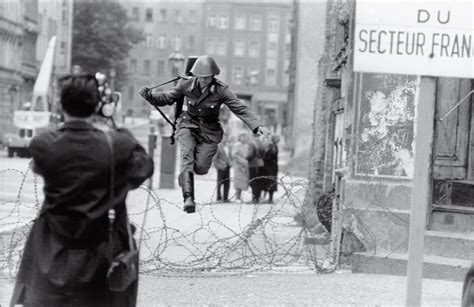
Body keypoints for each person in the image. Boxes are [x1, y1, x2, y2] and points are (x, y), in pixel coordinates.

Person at [11, 73, 154, 307]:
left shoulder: (44, 144)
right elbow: (143, 168)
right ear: (98, 106)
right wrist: (117, 124)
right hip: (103, 252)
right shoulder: (117, 145)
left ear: (60, 104)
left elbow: (39, 166)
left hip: (52, 251)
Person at [139, 55, 268, 213]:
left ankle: (184, 176)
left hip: (209, 131)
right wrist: (150, 96)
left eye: (208, 77)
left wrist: (256, 125)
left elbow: (239, 108)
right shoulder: (185, 84)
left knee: (200, 168)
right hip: (187, 125)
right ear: (196, 76)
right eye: (202, 77)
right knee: (186, 156)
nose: (205, 80)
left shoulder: (221, 90)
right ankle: (188, 198)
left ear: (213, 76)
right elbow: (168, 98)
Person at [212, 136, 232, 202]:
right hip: (220, 168)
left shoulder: (228, 147)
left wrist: (231, 163)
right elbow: (214, 159)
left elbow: (230, 157)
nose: (225, 139)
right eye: (223, 138)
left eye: (226, 138)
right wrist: (218, 166)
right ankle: (218, 198)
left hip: (227, 167)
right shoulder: (218, 147)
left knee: (227, 184)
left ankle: (226, 198)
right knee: (219, 183)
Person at [231, 133, 250, 203]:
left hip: (245, 165)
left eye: (245, 137)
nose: (245, 138)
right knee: (238, 181)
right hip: (238, 165)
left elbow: (247, 154)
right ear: (240, 137)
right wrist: (242, 160)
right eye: (243, 137)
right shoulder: (236, 145)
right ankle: (237, 197)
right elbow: (234, 155)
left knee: (243, 181)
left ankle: (240, 196)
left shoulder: (246, 145)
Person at [247, 133, 265, 203]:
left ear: (253, 136)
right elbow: (263, 153)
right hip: (261, 163)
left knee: (253, 181)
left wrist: (246, 157)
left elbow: (250, 154)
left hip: (253, 164)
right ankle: (258, 197)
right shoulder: (261, 143)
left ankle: (254, 198)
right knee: (259, 181)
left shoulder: (252, 144)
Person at [262, 134, 279, 203]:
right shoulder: (273, 146)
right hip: (271, 166)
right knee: (269, 182)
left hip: (271, 166)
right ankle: (268, 198)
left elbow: (268, 156)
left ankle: (269, 198)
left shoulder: (273, 146)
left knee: (270, 182)